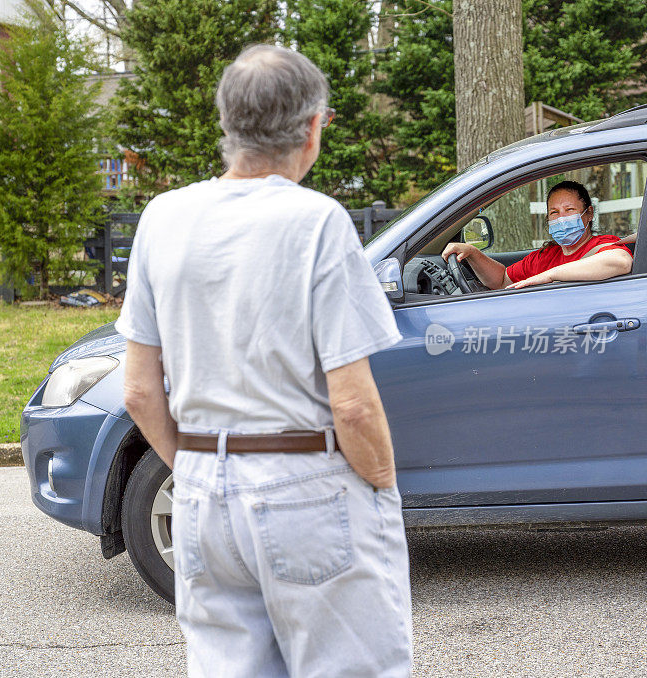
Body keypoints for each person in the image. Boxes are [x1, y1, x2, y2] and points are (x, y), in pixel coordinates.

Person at [115, 45, 412, 677]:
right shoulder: (317, 222)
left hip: (200, 487)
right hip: (307, 482)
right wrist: (381, 489)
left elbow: (139, 392)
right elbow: (354, 403)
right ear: (312, 127)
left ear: (226, 122)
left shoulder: (162, 218)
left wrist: (204, 464)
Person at [441, 180, 633, 290]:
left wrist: (550, 276)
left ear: (588, 214)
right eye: (554, 212)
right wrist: (473, 252)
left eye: (570, 210)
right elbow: (501, 281)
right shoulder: (545, 257)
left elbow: (621, 262)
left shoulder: (602, 245)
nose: (562, 218)